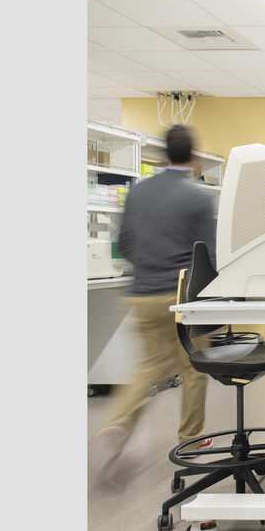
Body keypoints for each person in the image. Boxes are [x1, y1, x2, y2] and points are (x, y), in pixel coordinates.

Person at [89, 125, 217, 488]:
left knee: (147, 368)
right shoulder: (197, 196)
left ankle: (117, 422)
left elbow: (126, 243)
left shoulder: (139, 193)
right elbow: (205, 254)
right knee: (194, 365)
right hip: (180, 296)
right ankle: (191, 440)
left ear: (164, 155)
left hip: (141, 293)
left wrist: (149, 265)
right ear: (192, 158)